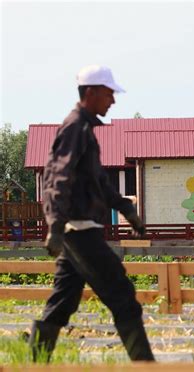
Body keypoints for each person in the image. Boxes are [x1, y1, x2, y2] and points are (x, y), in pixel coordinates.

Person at [29, 65, 155, 362]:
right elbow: (58, 178)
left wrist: (125, 207)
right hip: (80, 230)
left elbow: (97, 181)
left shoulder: (84, 130)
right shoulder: (75, 128)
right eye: (109, 93)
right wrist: (55, 226)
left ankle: (34, 364)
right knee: (122, 296)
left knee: (62, 302)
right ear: (91, 93)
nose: (113, 100)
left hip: (77, 230)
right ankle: (146, 366)